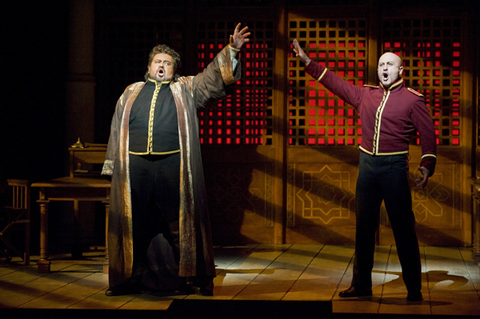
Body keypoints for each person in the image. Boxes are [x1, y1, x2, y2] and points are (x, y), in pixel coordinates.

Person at [102, 23, 250, 296]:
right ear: (148, 67)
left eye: (167, 63)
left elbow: (213, 79)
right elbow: (115, 128)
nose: (161, 66)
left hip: (173, 166)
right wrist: (113, 165)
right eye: (157, 62)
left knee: (179, 224)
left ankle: (191, 278)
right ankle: (128, 279)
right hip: (136, 168)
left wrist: (232, 50)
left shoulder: (186, 88)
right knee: (134, 223)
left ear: (174, 69)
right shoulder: (130, 93)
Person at [292, 39, 436, 302]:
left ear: (400, 70)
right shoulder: (366, 95)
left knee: (404, 229)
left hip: (394, 169)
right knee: (364, 229)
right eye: (381, 64)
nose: (384, 68)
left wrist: (427, 166)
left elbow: (428, 134)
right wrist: (307, 62)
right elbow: (336, 84)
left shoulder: (412, 100)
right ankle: (361, 285)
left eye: (389, 64)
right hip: (368, 168)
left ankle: (414, 288)